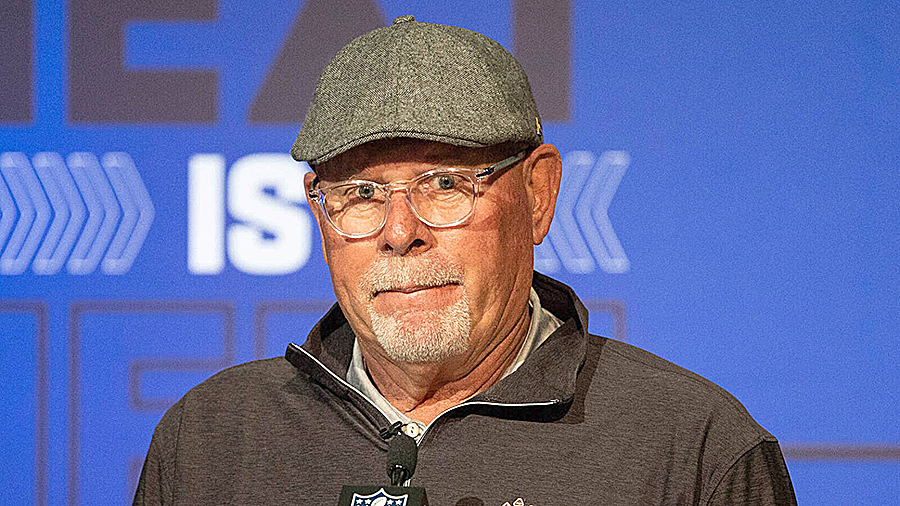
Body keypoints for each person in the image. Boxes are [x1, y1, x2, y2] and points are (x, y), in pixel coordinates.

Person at [134, 15, 797, 505]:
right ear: (318, 210)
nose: (400, 233)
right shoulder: (209, 441)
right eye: (361, 193)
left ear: (537, 194)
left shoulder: (693, 450)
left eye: (446, 184)